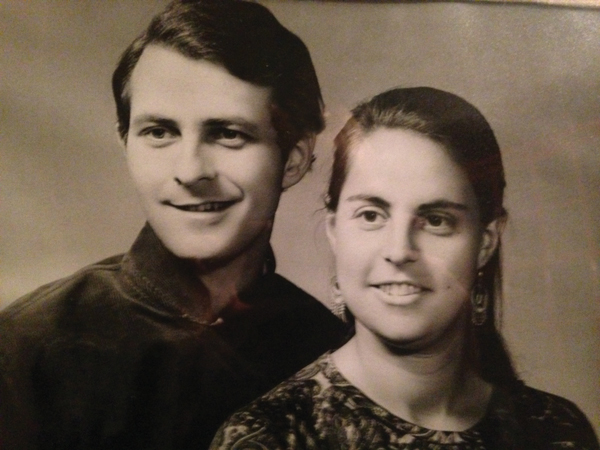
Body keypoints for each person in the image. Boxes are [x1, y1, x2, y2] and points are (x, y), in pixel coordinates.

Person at [0, 1, 347, 449]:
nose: (190, 171)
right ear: (127, 146)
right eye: (159, 132)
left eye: (228, 133)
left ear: (294, 159)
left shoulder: (333, 353)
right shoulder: (24, 351)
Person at [210, 87, 600, 449]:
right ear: (334, 230)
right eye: (371, 214)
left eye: (435, 220)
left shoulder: (558, 431)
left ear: (485, 242)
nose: (399, 251)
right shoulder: (270, 437)